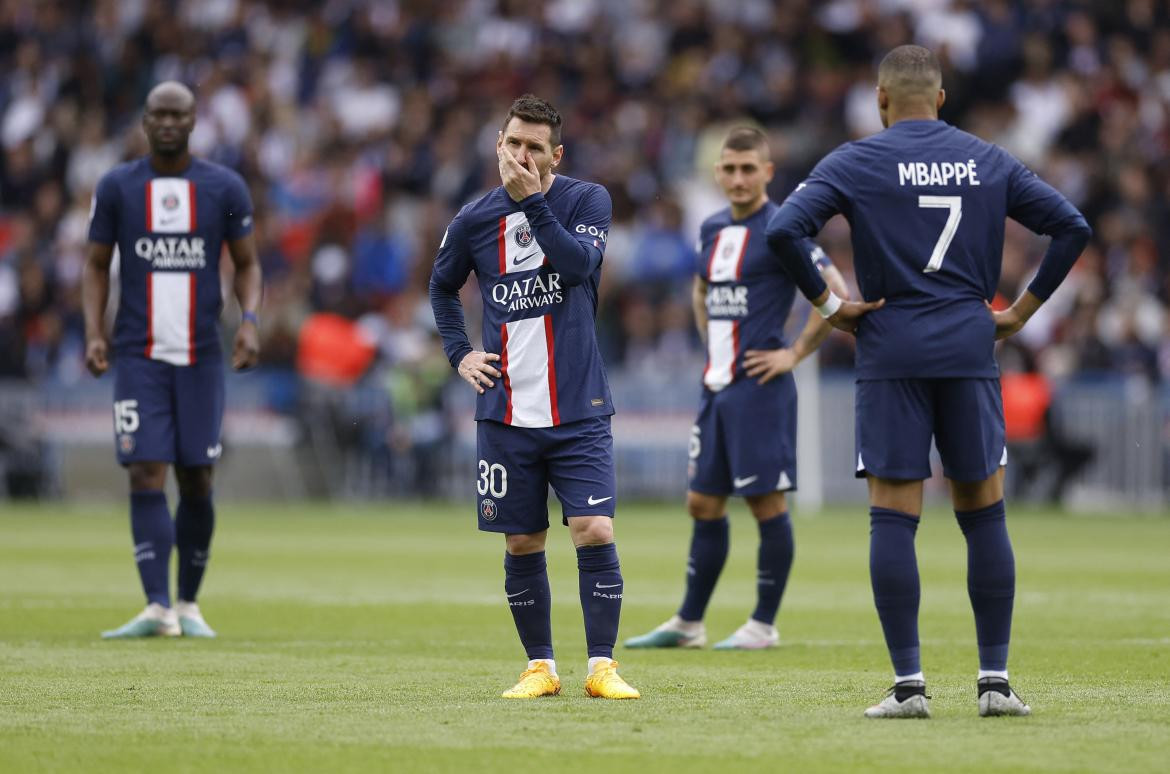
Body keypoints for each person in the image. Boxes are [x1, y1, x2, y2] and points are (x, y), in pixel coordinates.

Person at [766, 46, 1090, 718]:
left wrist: (831, 308)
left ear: (881, 100)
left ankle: (909, 687)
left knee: (894, 514)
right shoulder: (988, 158)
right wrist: (1020, 312)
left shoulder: (855, 160)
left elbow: (783, 229)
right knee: (984, 513)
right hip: (970, 347)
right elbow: (1071, 225)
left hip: (889, 348)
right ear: (940, 99)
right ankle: (995, 684)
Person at [429, 95, 639, 700]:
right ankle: (540, 668)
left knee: (594, 527)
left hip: (578, 407)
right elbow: (441, 289)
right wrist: (459, 353)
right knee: (523, 540)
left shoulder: (585, 201)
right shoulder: (472, 219)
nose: (523, 157)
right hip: (506, 410)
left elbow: (576, 267)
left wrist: (532, 204)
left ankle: (602, 667)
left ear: (556, 154)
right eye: (514, 144)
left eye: (535, 148)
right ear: (499, 144)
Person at [625, 127, 849, 651]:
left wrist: (793, 353)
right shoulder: (712, 228)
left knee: (765, 504)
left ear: (768, 173)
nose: (738, 178)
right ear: (717, 174)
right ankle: (689, 623)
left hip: (761, 388)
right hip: (717, 388)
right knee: (702, 503)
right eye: (729, 169)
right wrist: (711, 343)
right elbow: (701, 289)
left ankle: (763, 624)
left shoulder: (784, 228)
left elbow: (836, 293)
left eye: (749, 169)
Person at [83, 81, 262, 639]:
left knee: (198, 477)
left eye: (177, 114)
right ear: (144, 119)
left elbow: (249, 264)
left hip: (200, 355)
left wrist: (250, 323)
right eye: (158, 113)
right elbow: (94, 264)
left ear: (192, 122)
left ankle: (188, 603)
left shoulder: (223, 187)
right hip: (138, 355)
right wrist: (94, 331)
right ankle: (156, 607)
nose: (166, 122)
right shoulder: (116, 186)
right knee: (144, 469)